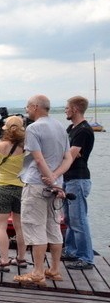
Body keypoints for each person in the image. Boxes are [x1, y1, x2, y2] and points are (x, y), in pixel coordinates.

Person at [16, 94, 72, 285]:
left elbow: (39, 160)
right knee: (53, 226)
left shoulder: (33, 128)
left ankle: (38, 272)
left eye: (28, 106)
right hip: (56, 186)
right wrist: (56, 179)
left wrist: (50, 180)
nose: (26, 110)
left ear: (36, 107)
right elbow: (68, 158)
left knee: (34, 226)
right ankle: (55, 269)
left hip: (38, 185)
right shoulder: (60, 127)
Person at [0, 115, 27, 272]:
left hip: (3, 187)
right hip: (21, 188)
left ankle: (4, 261)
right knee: (20, 227)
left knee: (1, 227)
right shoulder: (26, 147)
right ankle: (21, 259)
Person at [61, 95, 95, 270]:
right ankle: (71, 251)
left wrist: (67, 155)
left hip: (78, 178)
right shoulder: (71, 128)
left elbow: (71, 155)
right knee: (68, 217)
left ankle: (86, 257)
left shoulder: (83, 130)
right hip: (68, 177)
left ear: (75, 109)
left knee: (79, 219)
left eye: (67, 107)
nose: (65, 110)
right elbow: (66, 151)